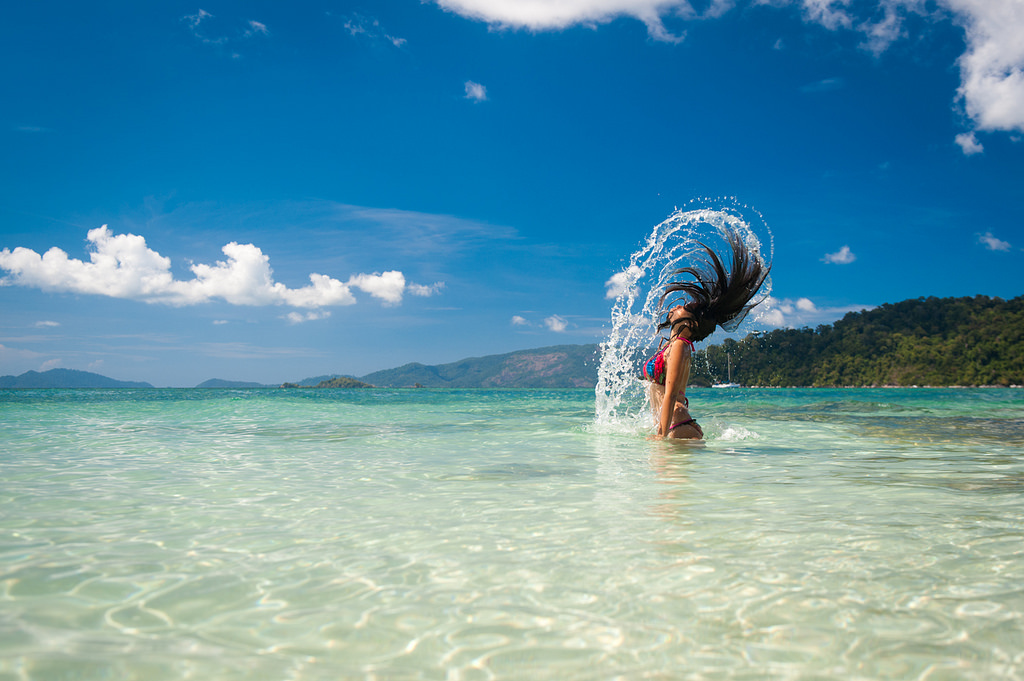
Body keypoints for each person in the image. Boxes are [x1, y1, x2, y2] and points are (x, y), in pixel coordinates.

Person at [643, 226, 770, 440]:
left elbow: (671, 394)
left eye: (683, 306)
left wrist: (660, 435)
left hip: (677, 426)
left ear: (690, 323)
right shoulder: (672, 345)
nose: (676, 307)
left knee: (669, 474)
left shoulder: (680, 345)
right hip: (674, 425)